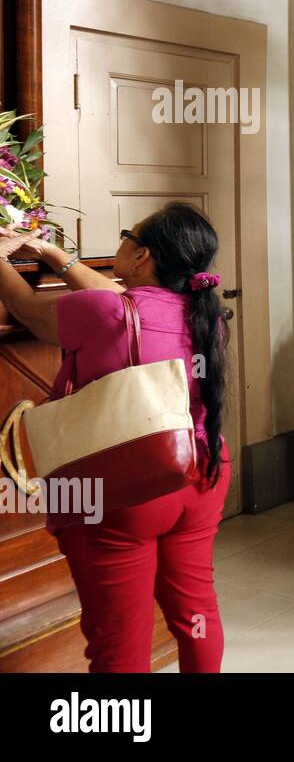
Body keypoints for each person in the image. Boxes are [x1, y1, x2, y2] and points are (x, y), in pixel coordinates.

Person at [0, 202, 230, 670]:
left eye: (128, 234)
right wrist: (51, 252)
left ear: (142, 255)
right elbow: (124, 303)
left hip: (125, 488)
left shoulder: (105, 310)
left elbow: (25, 309)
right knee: (197, 613)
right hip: (202, 474)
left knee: (119, 638)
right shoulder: (206, 314)